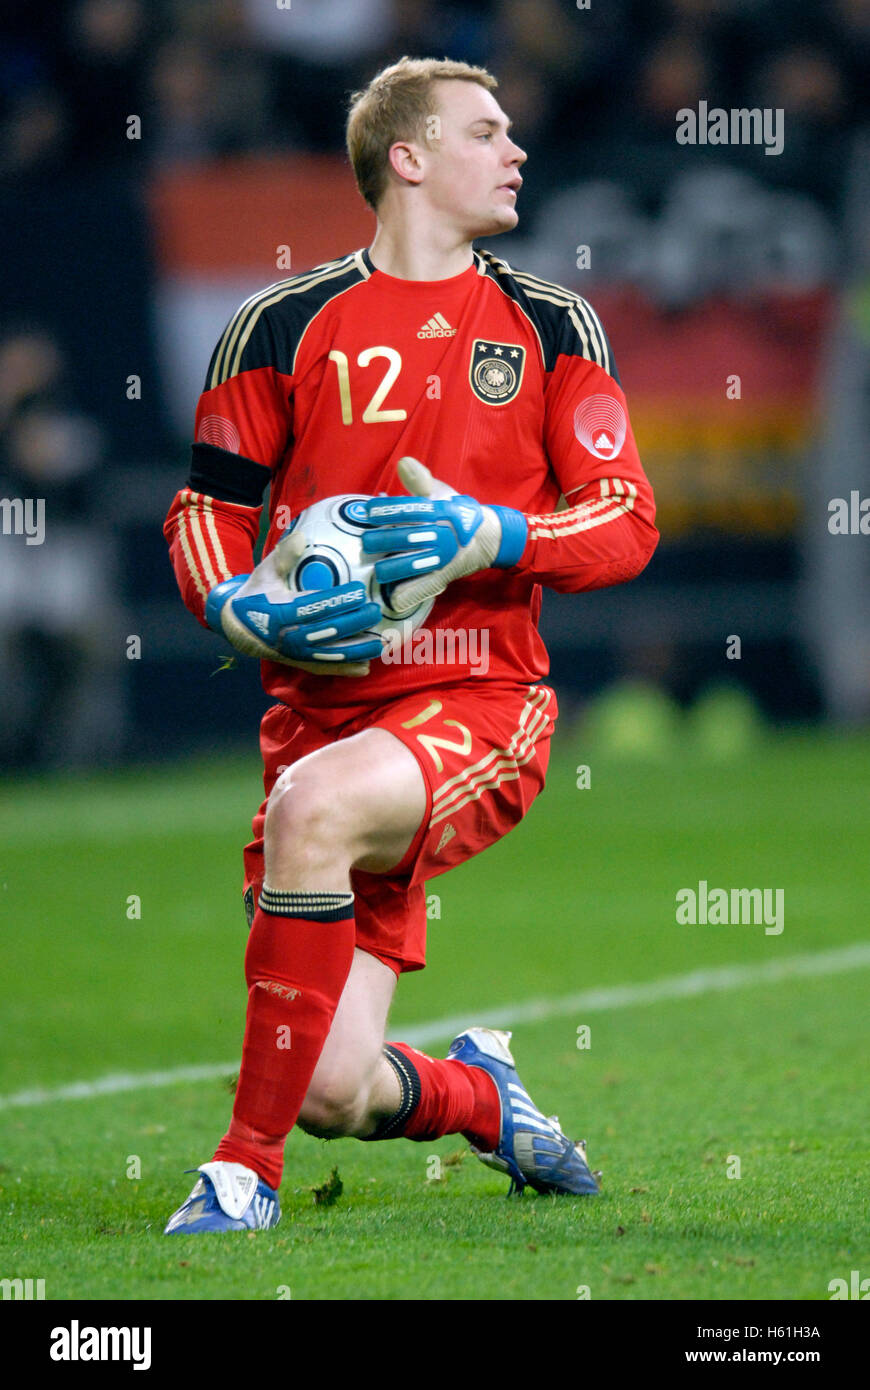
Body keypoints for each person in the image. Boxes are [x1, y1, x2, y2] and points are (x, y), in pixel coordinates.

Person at [162, 56, 658, 1233]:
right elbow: (206, 514)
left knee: (315, 813)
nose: (516, 151)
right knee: (335, 1087)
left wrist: (489, 531)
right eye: (488, 131)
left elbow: (626, 517)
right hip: (318, 716)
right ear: (409, 157)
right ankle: (480, 1097)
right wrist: (241, 607)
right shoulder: (277, 326)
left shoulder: (548, 320)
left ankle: (241, 1173)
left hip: (482, 696)